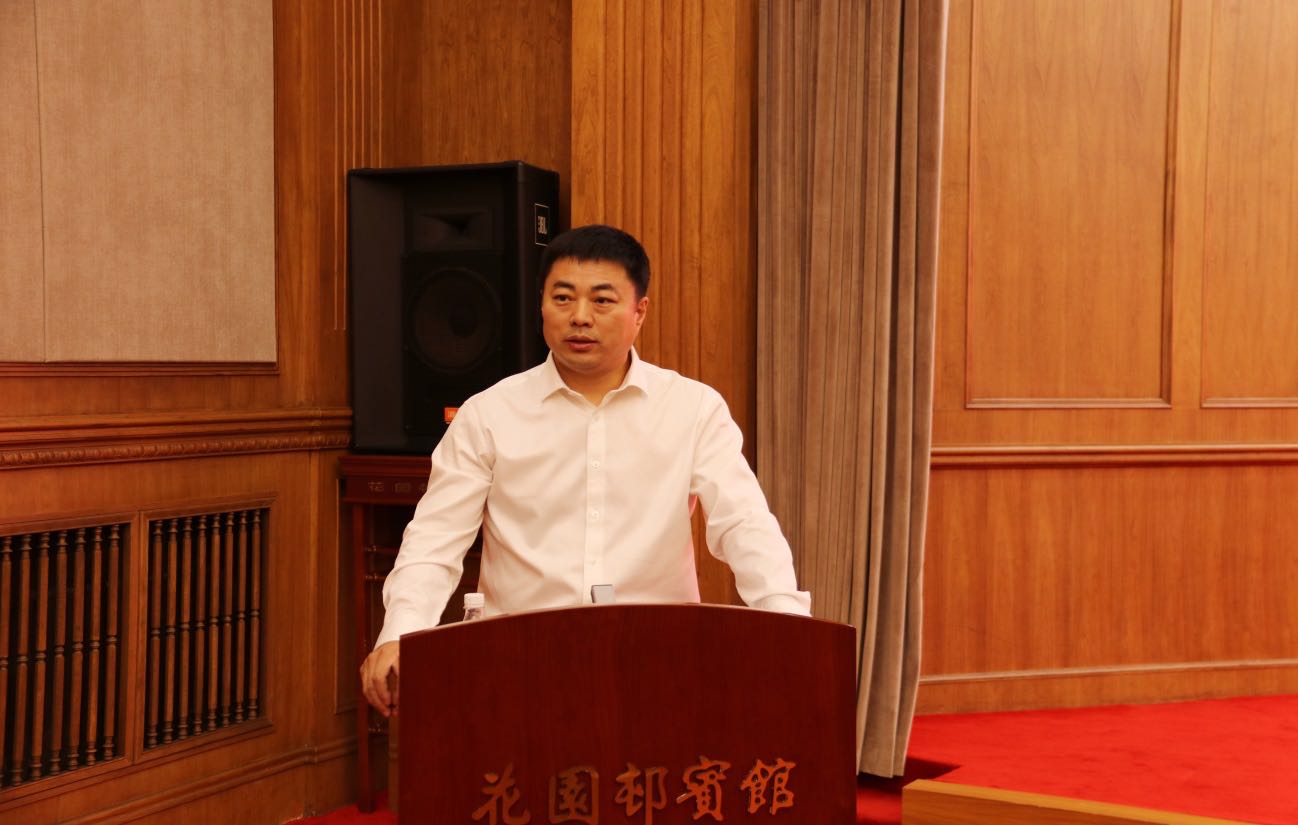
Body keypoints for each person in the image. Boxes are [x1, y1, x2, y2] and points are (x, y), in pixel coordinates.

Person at [360, 224, 810, 715]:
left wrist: (785, 619)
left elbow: (744, 523)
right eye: (562, 298)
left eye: (602, 300)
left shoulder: (693, 409)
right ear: (541, 306)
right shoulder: (489, 414)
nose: (579, 317)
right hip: (518, 660)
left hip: (658, 659)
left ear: (640, 311)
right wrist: (400, 632)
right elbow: (435, 538)